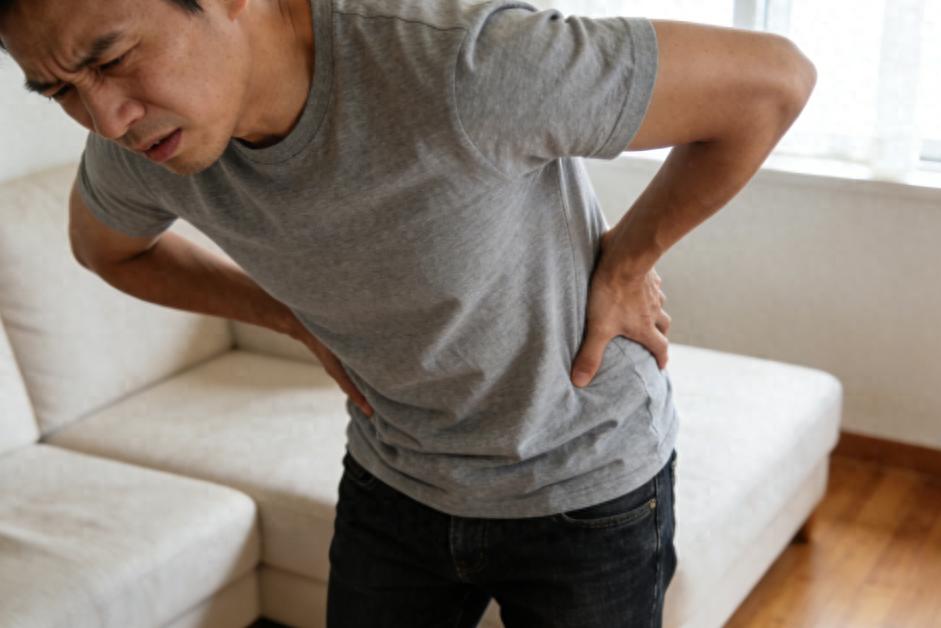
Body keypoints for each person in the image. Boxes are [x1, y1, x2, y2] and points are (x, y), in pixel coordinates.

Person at [0, 0, 815, 625]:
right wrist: (289, 317)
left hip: (586, 487)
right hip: (394, 484)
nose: (105, 119)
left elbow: (773, 82)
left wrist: (629, 259)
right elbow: (106, 250)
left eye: (111, 58)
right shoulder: (145, 148)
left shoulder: (463, 63)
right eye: (60, 90)